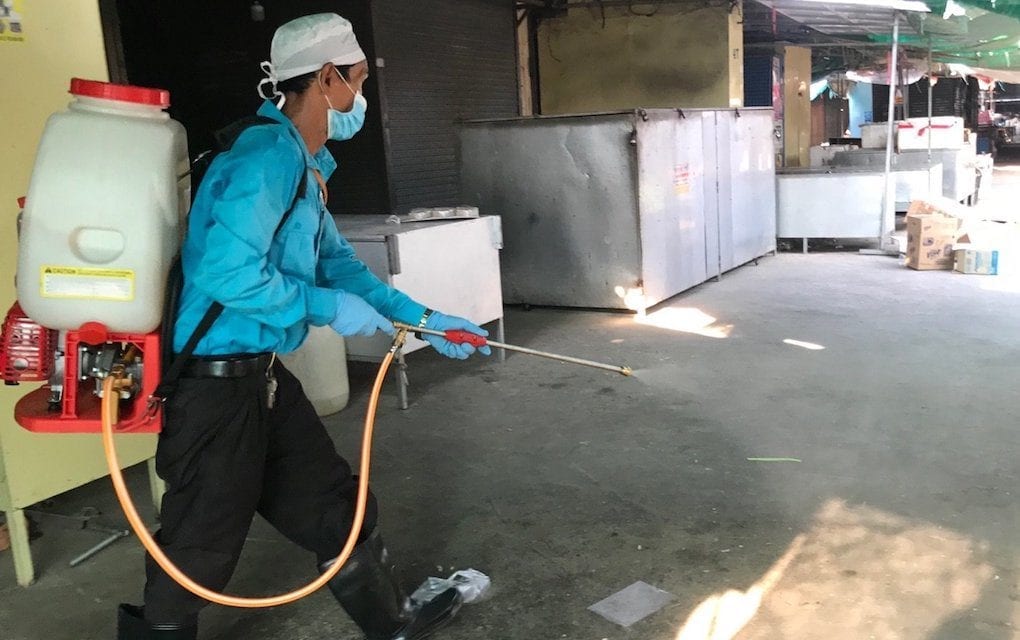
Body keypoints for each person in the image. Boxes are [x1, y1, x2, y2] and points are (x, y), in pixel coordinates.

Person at [117, 13, 489, 640]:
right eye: (359, 80)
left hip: (261, 378)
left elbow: (338, 265)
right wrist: (323, 309)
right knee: (198, 546)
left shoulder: (305, 164)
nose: (361, 98)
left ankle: (391, 620)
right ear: (326, 78)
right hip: (214, 389)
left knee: (336, 505)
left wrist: (425, 320)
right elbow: (225, 272)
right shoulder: (265, 156)